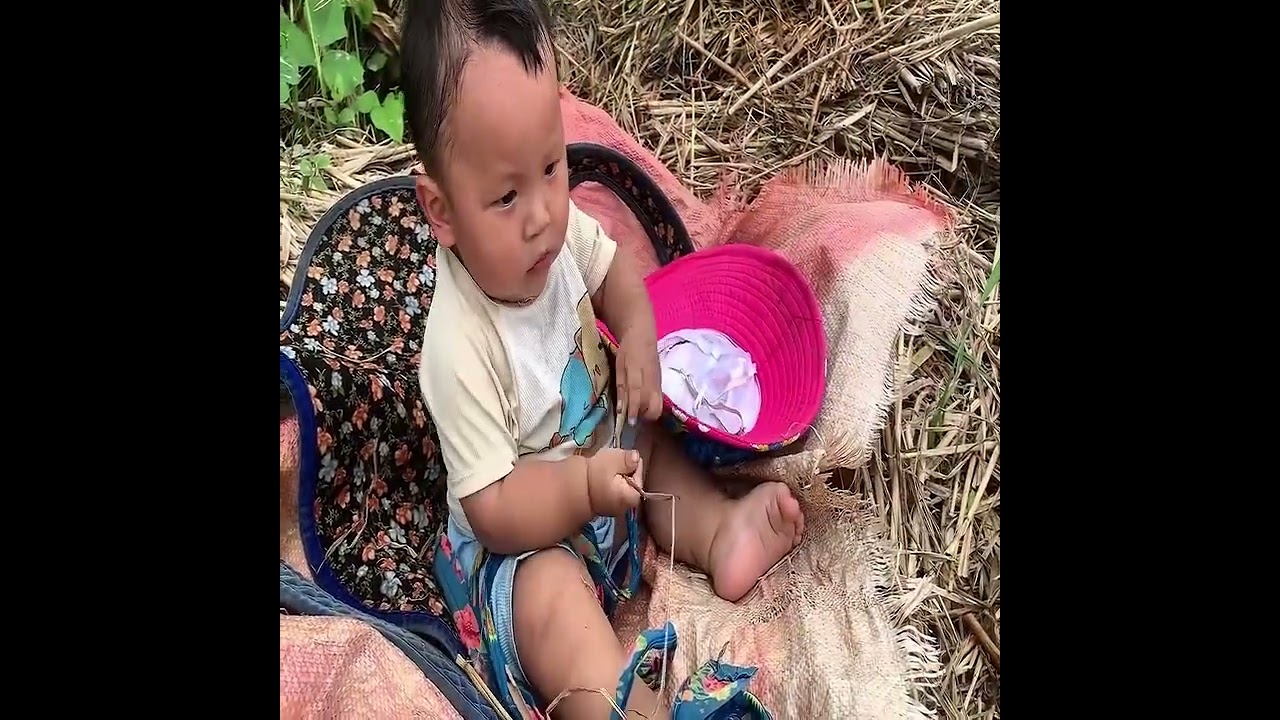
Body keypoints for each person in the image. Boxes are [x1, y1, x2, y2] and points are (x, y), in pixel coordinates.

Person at [404, 1, 803, 717]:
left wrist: (641, 343)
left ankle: (718, 531)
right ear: (441, 210)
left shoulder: (557, 236)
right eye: (504, 196)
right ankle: (614, 703)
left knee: (653, 440)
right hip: (524, 543)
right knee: (550, 604)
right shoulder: (457, 347)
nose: (542, 215)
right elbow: (491, 507)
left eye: (552, 166)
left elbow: (618, 275)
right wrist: (581, 491)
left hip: (602, 470)